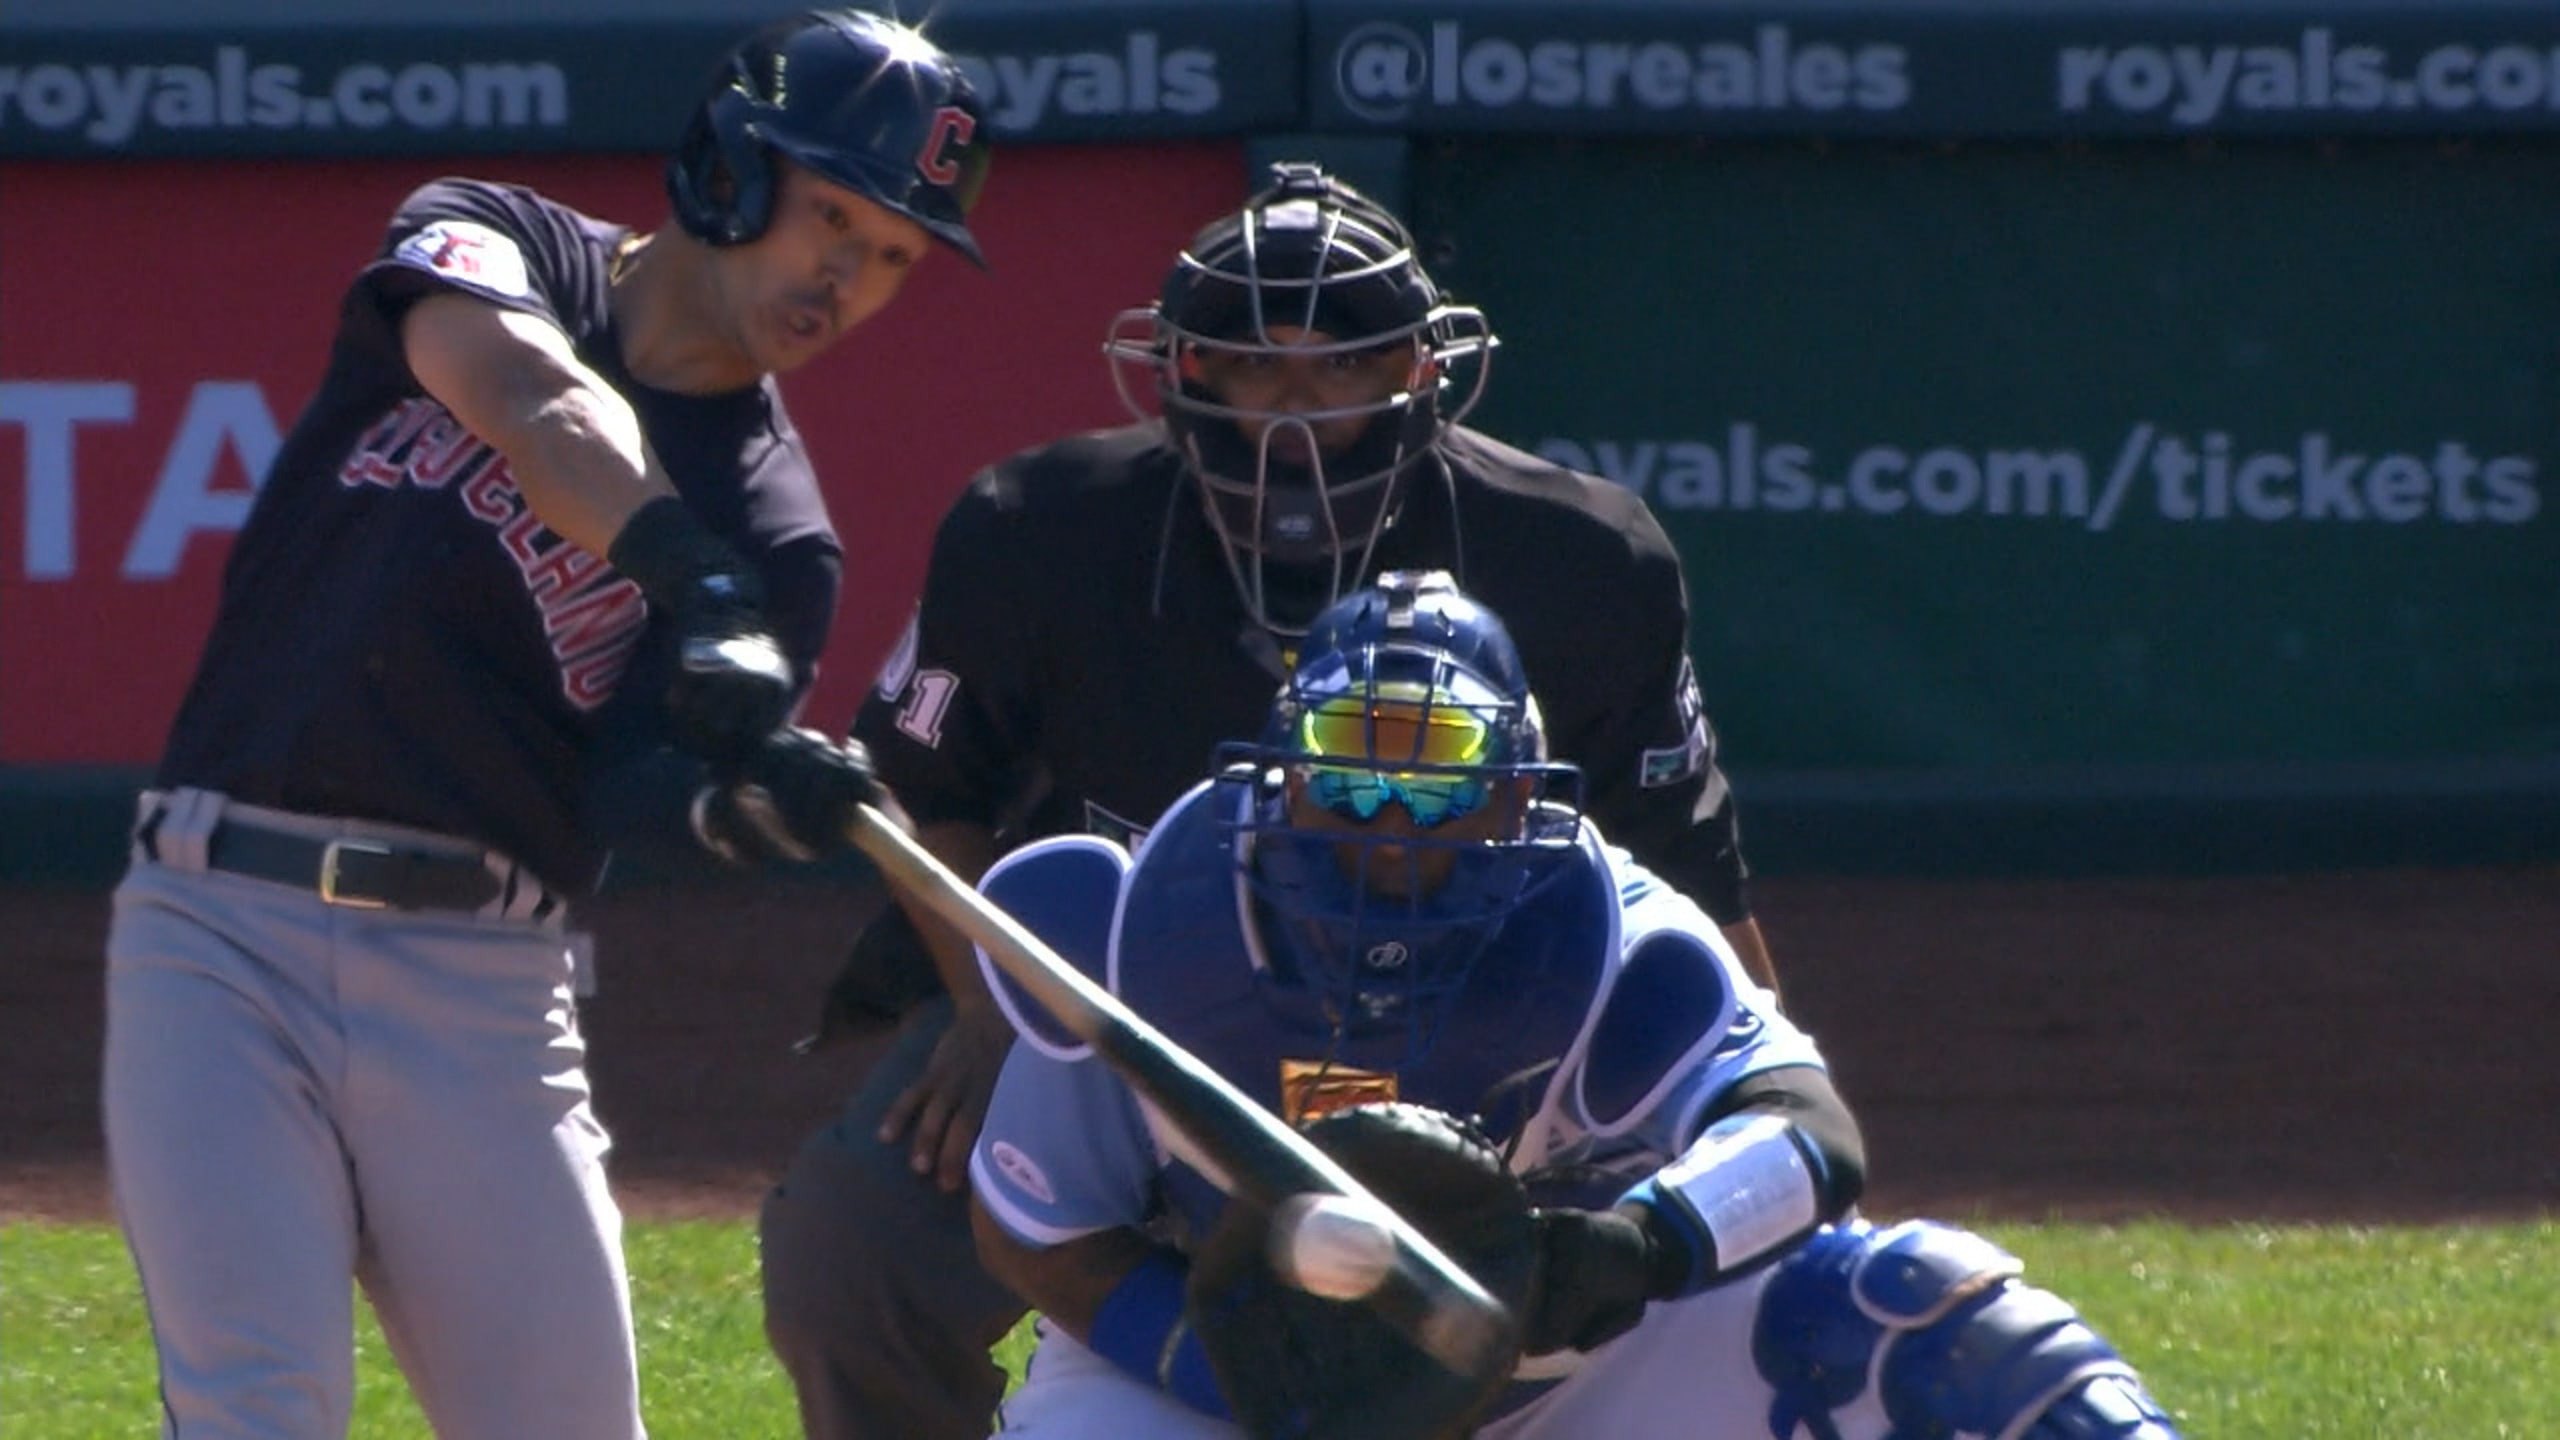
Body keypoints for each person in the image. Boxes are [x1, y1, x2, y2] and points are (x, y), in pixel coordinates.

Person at [756, 160, 1785, 1440]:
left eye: (1340, 368)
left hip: (1476, 1015)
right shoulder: (1040, 524)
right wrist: (993, 1010)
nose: (1290, 413)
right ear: (1178, 371)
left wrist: (1749, 1106)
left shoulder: (1580, 557)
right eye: (1248, 366)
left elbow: (1691, 868)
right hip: (1116, 998)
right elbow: (924, 791)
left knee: (1718, 1289)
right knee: (851, 1256)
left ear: (1420, 370)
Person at [98, 12, 988, 1438]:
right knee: (259, 1408)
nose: (847, 275)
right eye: (830, 213)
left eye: (892, 252)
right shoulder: (496, 235)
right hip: (219, 928)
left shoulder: (780, 531)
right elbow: (525, 396)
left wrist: (741, 803)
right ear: (732, 168)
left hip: (482, 980)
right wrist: (684, 575)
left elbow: (627, 792)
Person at [966, 570, 2182, 1439]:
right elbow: (1035, 1218)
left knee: (1921, 1314)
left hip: (1560, 1374)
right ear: (1282, 778)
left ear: (1513, 797)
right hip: (1217, 1378)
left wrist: (1637, 1244)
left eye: (1442, 773)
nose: (1393, 822)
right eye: (1351, 758)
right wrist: (1220, 1369)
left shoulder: (1611, 930)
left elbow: (1806, 1129)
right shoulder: (1142, 932)